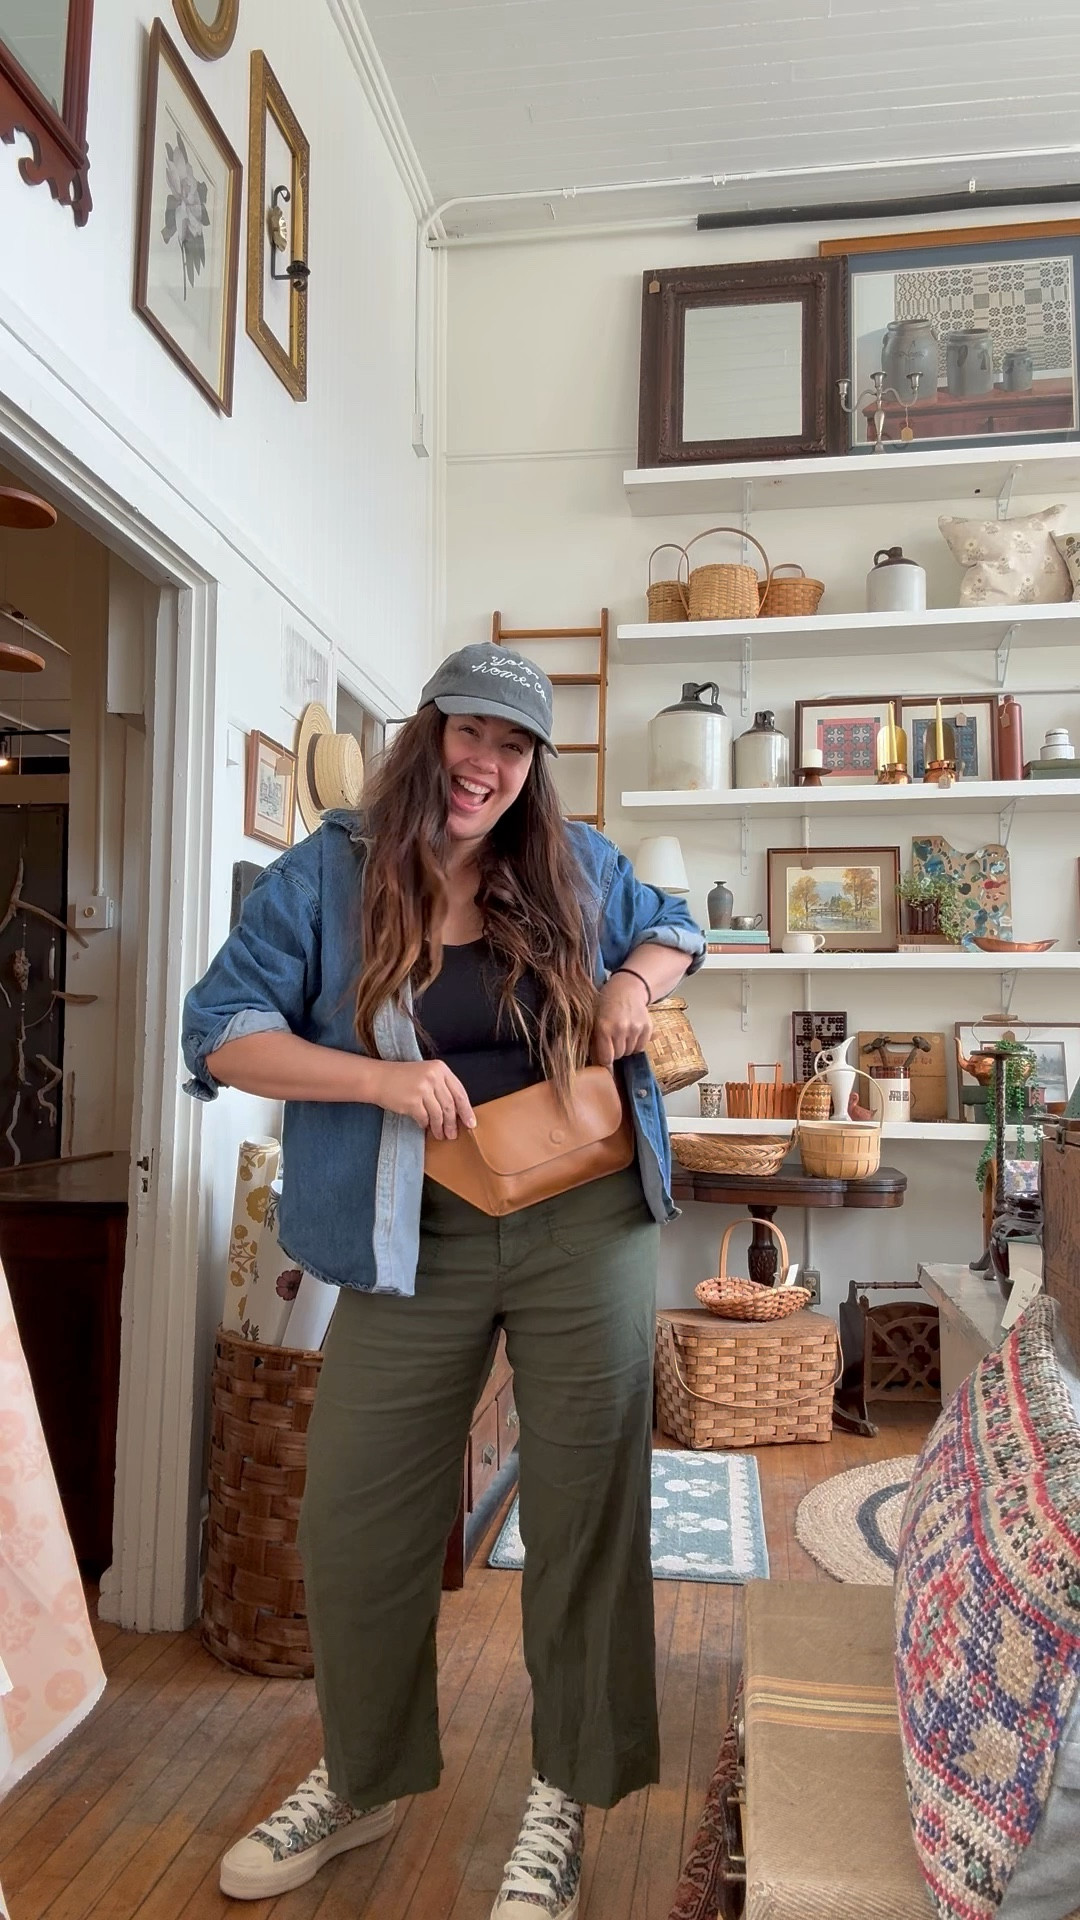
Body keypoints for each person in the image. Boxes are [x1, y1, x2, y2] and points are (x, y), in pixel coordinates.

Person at [181, 642, 705, 1919]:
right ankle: (362, 1782)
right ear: (430, 734)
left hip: (586, 1217)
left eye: (515, 748)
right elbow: (222, 1034)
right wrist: (376, 1080)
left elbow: (680, 925)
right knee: (354, 1519)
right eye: (472, 733)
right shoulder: (329, 876)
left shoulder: (570, 867)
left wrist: (636, 979)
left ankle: (563, 1799)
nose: (488, 763)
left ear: (534, 771)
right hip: (413, 1229)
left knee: (585, 1513)